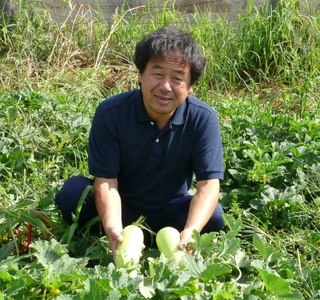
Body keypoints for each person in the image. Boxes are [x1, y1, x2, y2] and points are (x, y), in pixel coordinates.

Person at [54, 26, 225, 261]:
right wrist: (113, 226)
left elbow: (208, 185)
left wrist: (192, 229)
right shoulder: (110, 113)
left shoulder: (202, 118)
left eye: (177, 78)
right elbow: (106, 182)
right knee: (72, 194)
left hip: (171, 210)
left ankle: (176, 238)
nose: (166, 86)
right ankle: (118, 237)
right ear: (140, 74)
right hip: (120, 205)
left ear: (190, 86)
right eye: (157, 74)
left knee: (213, 215)